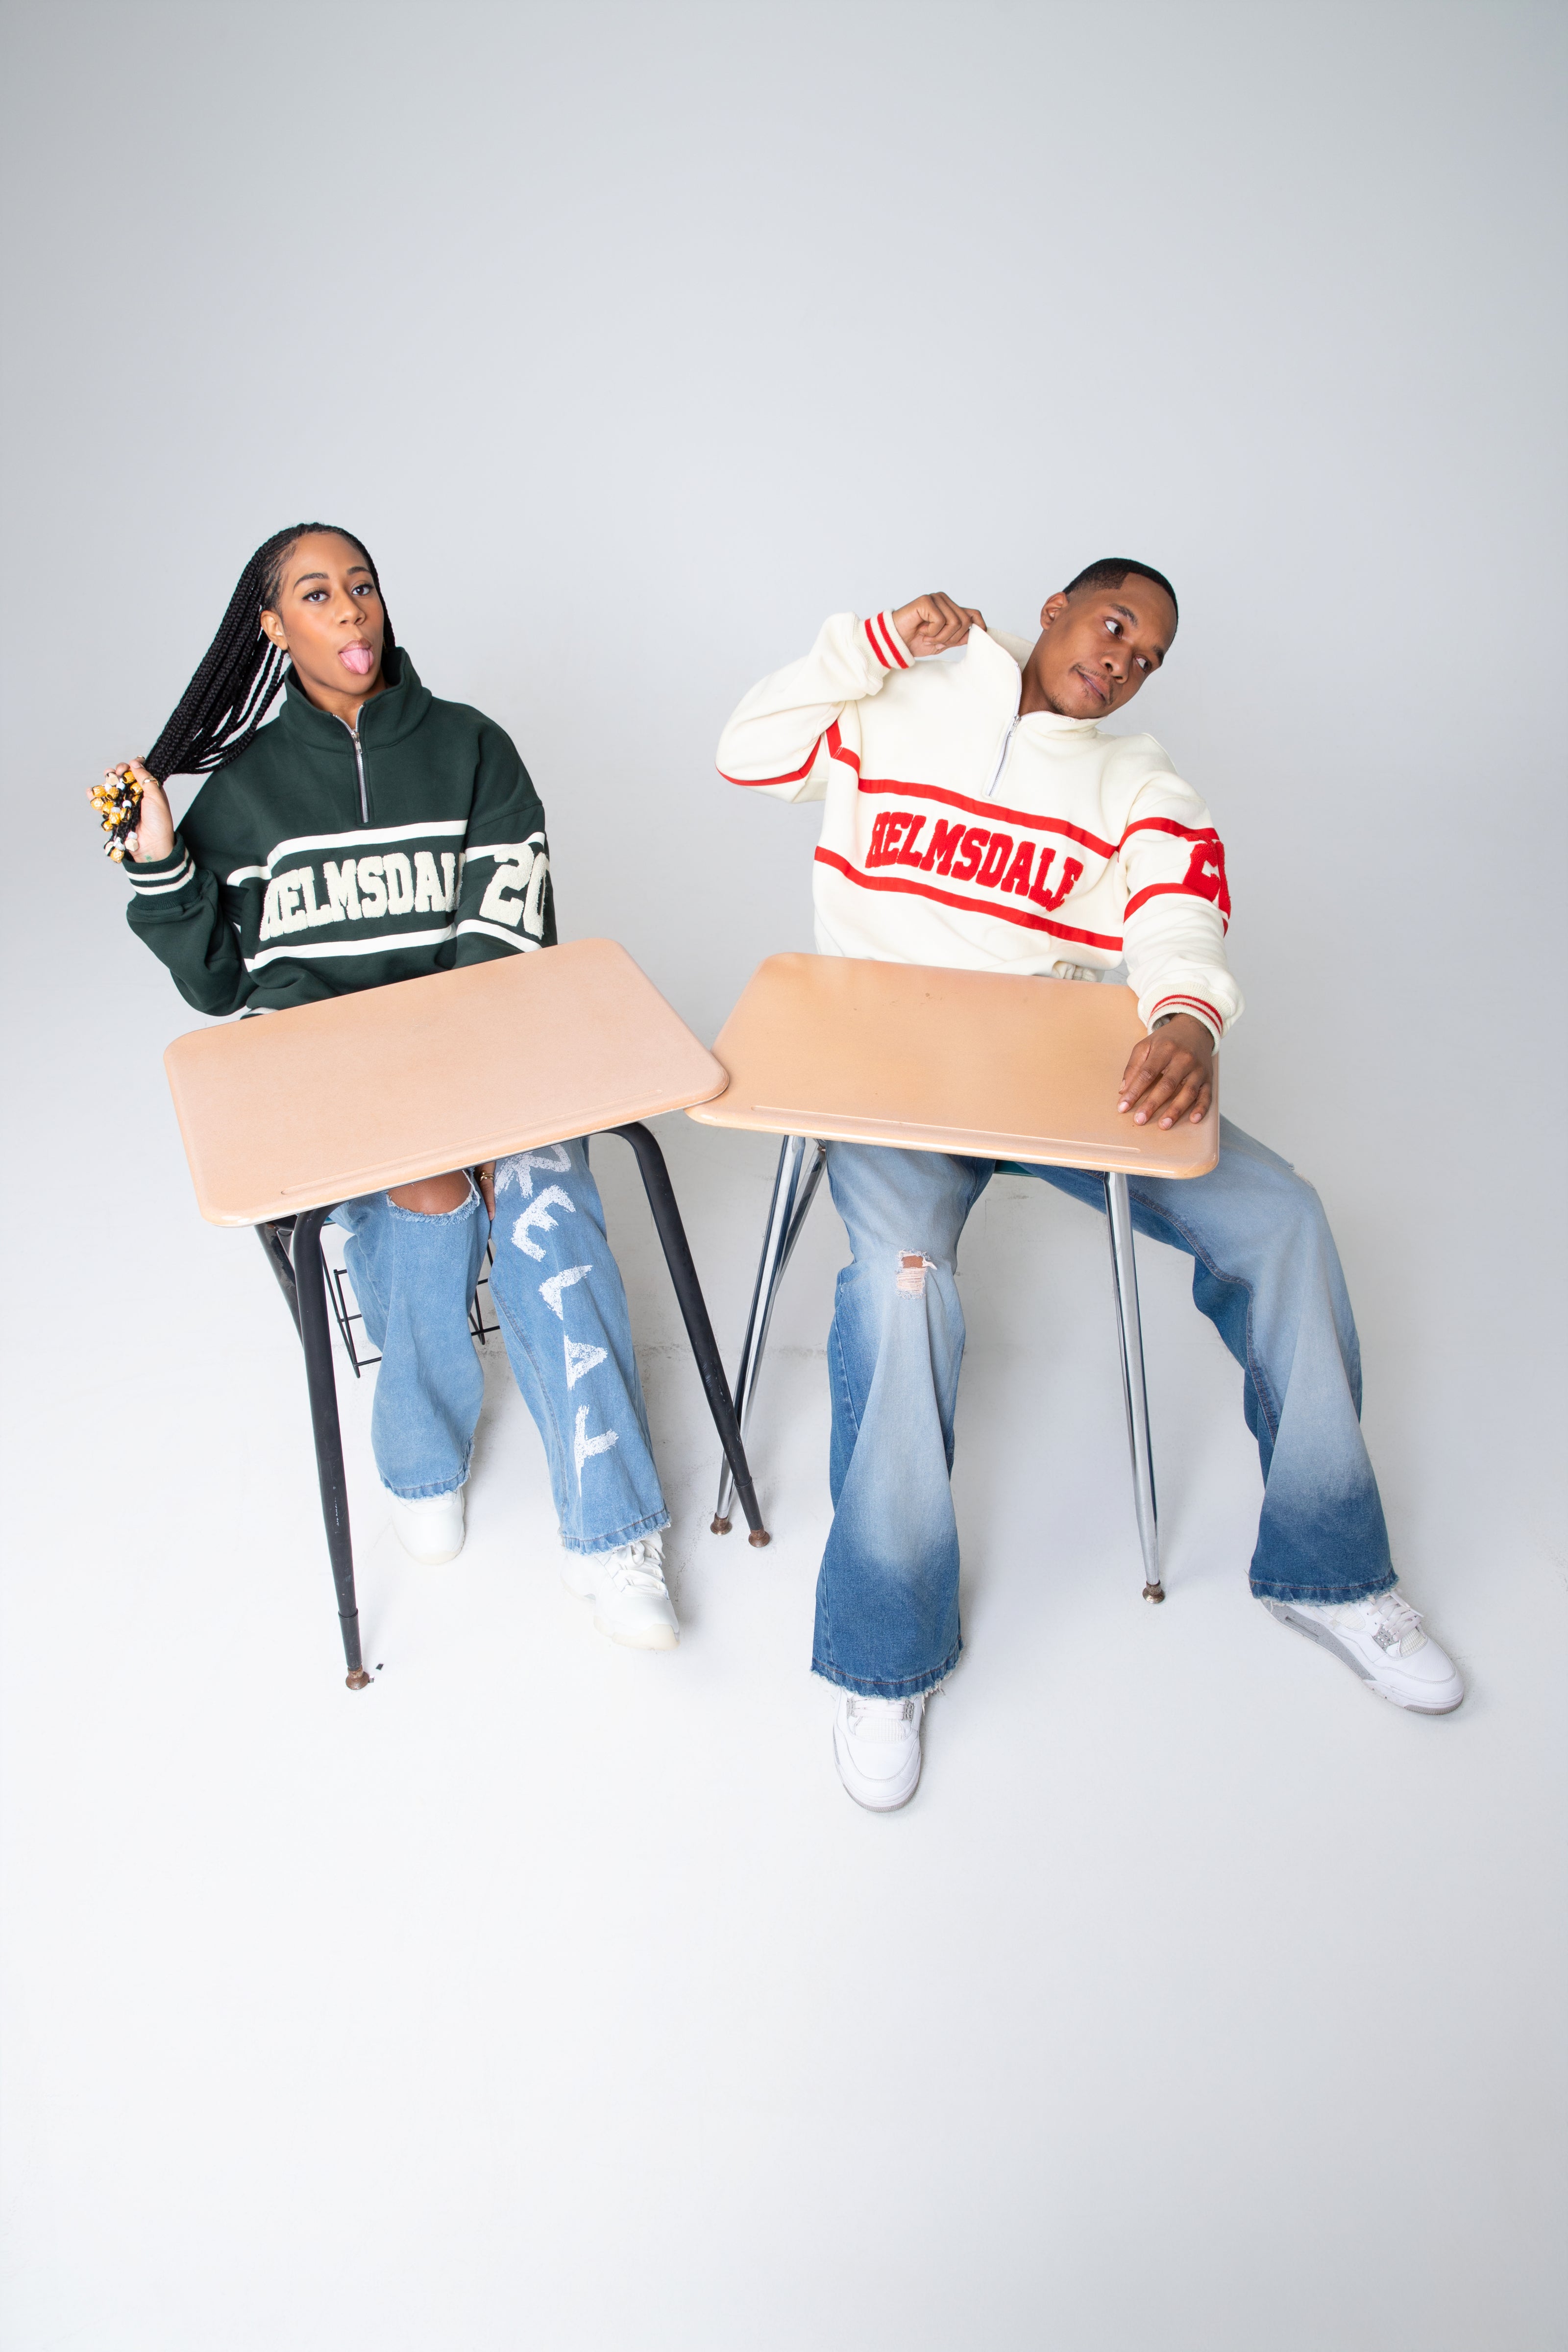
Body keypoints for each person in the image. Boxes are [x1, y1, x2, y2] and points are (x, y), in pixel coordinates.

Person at [717, 561, 1463, 1809]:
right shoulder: (898, 692)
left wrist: (1185, 1020)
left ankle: (1334, 1573)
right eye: (1113, 625)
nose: (1121, 661)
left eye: (1147, 656)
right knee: (902, 1286)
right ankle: (884, 1653)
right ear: (1055, 607)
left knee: (1281, 1217)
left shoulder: (1138, 779)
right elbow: (744, 756)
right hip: (880, 1068)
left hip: (1048, 1064)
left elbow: (1179, 914)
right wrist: (869, 647)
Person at [106, 522, 678, 1648]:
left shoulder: (472, 748)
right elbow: (217, 986)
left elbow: (509, 942)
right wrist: (160, 863)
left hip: (490, 1058)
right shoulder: (245, 791)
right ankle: (420, 1459)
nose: (350, 610)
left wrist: (476, 1113)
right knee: (427, 1197)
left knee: (546, 1200)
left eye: (360, 586)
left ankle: (613, 1535)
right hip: (334, 1087)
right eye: (317, 594)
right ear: (274, 628)